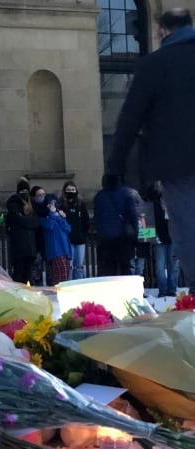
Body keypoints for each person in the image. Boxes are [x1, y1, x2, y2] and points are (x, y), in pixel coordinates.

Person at [106, 8, 195, 289]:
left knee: (189, 234)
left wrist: (114, 168)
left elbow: (130, 121)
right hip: (178, 165)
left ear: (162, 31)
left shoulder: (155, 65)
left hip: (179, 166)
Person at [93, 174, 138, 276]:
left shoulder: (99, 196)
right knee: (125, 268)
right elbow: (132, 215)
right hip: (123, 237)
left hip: (105, 240)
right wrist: (135, 235)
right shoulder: (126, 194)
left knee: (107, 270)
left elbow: (97, 217)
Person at [147, 181, 180, 297]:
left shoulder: (174, 201)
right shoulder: (154, 202)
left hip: (172, 237)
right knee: (160, 267)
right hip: (160, 237)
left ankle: (172, 289)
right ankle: (163, 290)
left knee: (173, 266)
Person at [5, 177, 41, 284]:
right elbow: (18, 219)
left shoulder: (32, 205)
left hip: (30, 247)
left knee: (28, 274)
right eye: (22, 191)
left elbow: (37, 222)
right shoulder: (13, 204)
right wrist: (28, 221)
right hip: (19, 246)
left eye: (26, 191)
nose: (24, 193)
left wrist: (25, 221)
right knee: (18, 273)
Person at [39, 194, 72, 285]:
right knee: (61, 275)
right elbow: (49, 226)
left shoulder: (58, 217)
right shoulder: (44, 219)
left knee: (65, 275)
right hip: (55, 251)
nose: (54, 206)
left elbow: (68, 229)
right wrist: (52, 214)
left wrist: (62, 218)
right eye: (51, 203)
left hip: (65, 250)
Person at [60, 180, 90, 280]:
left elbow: (86, 221)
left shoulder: (81, 204)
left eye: (73, 190)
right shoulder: (61, 205)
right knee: (70, 266)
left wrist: (84, 235)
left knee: (79, 265)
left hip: (80, 239)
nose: (71, 192)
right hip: (67, 240)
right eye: (68, 190)